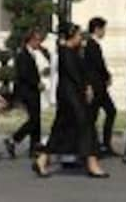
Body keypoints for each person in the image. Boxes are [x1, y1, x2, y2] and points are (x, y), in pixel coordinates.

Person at [33, 23, 108, 178]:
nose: (81, 38)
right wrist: (85, 88)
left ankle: (42, 159)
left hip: (71, 95)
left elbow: (83, 72)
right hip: (70, 96)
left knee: (60, 129)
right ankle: (92, 162)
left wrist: (87, 85)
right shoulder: (66, 52)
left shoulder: (73, 51)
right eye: (79, 35)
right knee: (86, 125)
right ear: (72, 36)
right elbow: (74, 75)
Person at [5, 30, 44, 159]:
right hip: (27, 91)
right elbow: (23, 74)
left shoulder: (33, 53)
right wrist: (36, 83)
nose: (39, 42)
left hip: (33, 91)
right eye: (37, 40)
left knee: (36, 119)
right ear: (30, 40)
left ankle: (35, 147)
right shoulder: (22, 54)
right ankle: (14, 139)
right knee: (34, 120)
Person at [84, 17, 117, 156]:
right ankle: (97, 146)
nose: (104, 32)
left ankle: (103, 144)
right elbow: (97, 65)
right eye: (103, 29)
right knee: (95, 116)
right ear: (97, 29)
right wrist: (107, 76)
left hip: (99, 86)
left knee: (108, 112)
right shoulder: (91, 45)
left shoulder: (91, 44)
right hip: (96, 86)